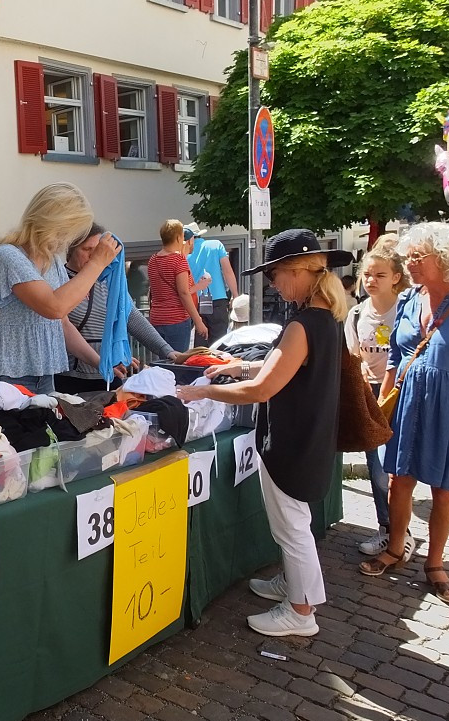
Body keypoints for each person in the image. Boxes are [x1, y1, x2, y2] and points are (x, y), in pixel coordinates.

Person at [176, 229, 353, 637]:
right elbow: (278, 370)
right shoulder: (326, 318)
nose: (273, 284)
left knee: (291, 528)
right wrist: (237, 367)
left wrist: (203, 389)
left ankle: (301, 611)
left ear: (297, 271)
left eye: (275, 275)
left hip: (292, 440)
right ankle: (295, 587)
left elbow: (264, 388)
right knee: (295, 524)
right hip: (309, 435)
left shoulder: (303, 324)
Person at [359, 223, 449, 605]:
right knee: (399, 479)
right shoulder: (410, 300)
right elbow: (396, 354)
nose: (409, 263)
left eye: (417, 256)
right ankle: (395, 548)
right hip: (410, 400)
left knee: (444, 488)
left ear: (445, 258)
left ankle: (435, 563)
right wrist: (384, 403)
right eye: (408, 256)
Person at [0, 182, 119, 394]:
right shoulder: (7, 256)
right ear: (55, 223)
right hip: (8, 372)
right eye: (72, 231)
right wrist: (96, 263)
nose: (71, 239)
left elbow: (62, 324)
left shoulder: (51, 260)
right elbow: (54, 307)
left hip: (44, 372)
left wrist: (100, 362)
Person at [345, 235, 416, 560]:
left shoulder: (407, 310)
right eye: (367, 275)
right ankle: (386, 529)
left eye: (380, 275)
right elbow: (353, 357)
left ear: (396, 278)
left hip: (401, 393)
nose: (371, 281)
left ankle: (402, 532)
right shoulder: (356, 314)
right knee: (376, 467)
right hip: (370, 396)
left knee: (400, 470)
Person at [57, 223, 180, 393]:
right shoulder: (59, 280)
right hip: (70, 377)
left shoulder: (110, 281)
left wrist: (167, 351)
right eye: (87, 249)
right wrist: (104, 360)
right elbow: (64, 327)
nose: (94, 256)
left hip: (110, 374)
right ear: (71, 250)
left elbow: (131, 316)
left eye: (99, 250)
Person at [148, 220, 209, 353]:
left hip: (156, 318)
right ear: (178, 237)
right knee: (177, 362)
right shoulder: (178, 260)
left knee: (162, 364)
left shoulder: (153, 260)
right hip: (176, 319)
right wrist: (198, 321)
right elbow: (184, 293)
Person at [184, 222, 240, 346]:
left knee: (200, 345)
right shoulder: (215, 245)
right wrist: (235, 295)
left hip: (195, 302)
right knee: (219, 343)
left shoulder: (184, 253)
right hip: (218, 300)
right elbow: (228, 272)